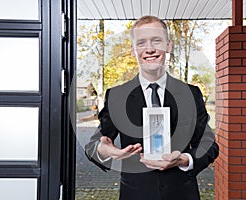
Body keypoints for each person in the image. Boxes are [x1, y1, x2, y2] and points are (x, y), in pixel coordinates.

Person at [85, 15, 219, 200]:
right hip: (135, 194)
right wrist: (105, 150)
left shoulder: (191, 94)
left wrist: (184, 159)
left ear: (168, 45)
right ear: (133, 50)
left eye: (156, 41)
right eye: (141, 43)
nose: (149, 49)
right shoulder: (117, 97)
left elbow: (209, 145)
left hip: (182, 194)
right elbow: (93, 145)